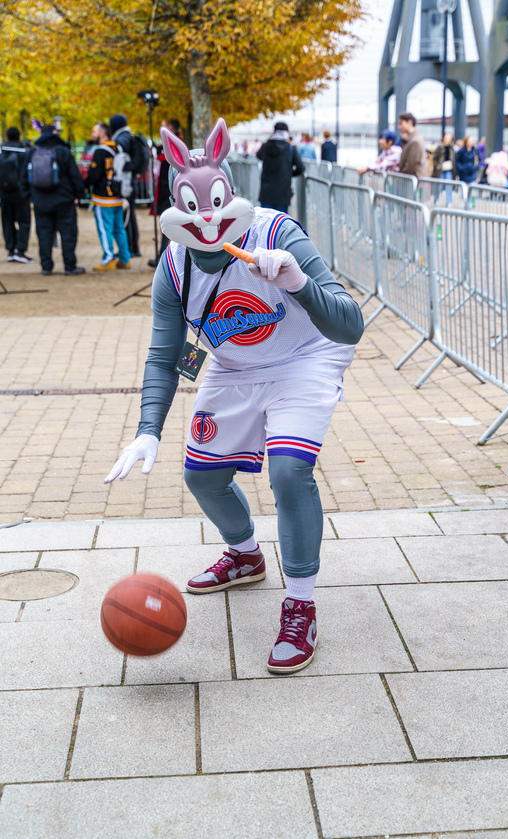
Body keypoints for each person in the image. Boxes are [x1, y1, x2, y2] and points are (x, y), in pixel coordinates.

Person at [104, 118, 364, 675]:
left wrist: (297, 282)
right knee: (201, 477)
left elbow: (350, 324)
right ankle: (244, 555)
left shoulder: (277, 233)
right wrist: (148, 427)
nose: (207, 221)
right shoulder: (172, 268)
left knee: (290, 471)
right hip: (233, 364)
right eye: (191, 209)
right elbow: (167, 355)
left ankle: (301, 603)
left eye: (216, 205)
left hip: (304, 359)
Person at [21, 124, 85, 276]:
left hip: (41, 201)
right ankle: (69, 266)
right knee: (68, 234)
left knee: (44, 234)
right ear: (55, 134)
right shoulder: (63, 151)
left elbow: (23, 178)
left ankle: (46, 266)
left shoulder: (32, 152)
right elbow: (74, 176)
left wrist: (29, 197)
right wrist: (78, 195)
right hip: (64, 200)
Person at [85, 121, 131, 271]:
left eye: (94, 132)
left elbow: (94, 174)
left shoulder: (100, 151)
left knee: (105, 229)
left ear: (102, 134)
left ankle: (108, 259)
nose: (92, 135)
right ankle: (125, 259)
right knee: (119, 228)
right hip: (118, 196)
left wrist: (85, 184)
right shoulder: (118, 148)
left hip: (103, 198)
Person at [110, 114, 147, 258]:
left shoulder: (121, 138)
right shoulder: (128, 136)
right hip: (131, 182)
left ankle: (129, 248)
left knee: (125, 216)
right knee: (130, 215)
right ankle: (134, 247)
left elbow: (119, 157)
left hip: (126, 184)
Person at [148, 119, 181, 268]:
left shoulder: (174, 144)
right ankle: (162, 254)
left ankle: (164, 256)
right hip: (165, 188)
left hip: (169, 189)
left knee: (169, 224)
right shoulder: (169, 143)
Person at [256, 121, 305, 213]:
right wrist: (289, 173)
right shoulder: (290, 148)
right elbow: (301, 168)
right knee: (281, 222)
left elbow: (258, 155)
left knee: (265, 221)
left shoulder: (266, 146)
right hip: (283, 191)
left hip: (266, 191)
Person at [0, 127, 32, 263]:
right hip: (21, 193)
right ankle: (21, 251)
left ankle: (10, 251)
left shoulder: (2, 152)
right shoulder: (24, 152)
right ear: (19, 137)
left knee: (7, 221)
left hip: (4, 193)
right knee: (24, 221)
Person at [397, 112, 428, 178]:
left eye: (401, 123)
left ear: (409, 123)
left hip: (413, 182)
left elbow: (410, 166)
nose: (399, 127)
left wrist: (400, 178)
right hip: (412, 182)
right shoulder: (411, 139)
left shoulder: (415, 141)